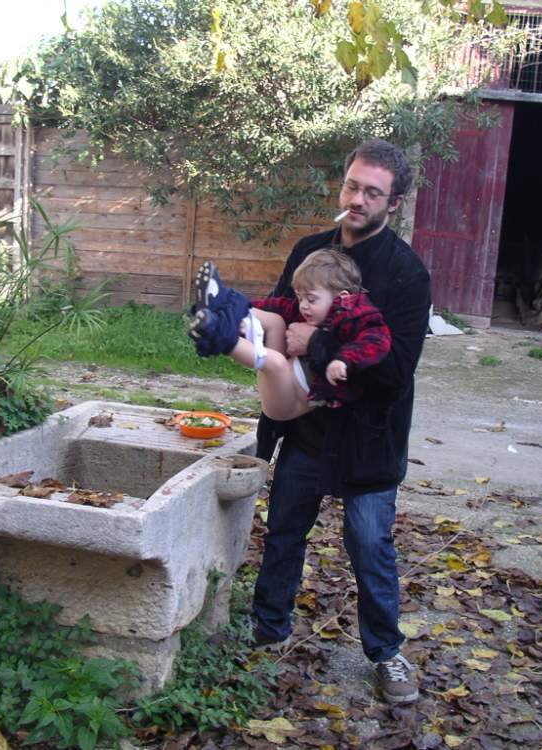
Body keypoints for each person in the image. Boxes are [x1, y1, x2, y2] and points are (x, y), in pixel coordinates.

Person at [250, 139, 431, 704]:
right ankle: (267, 633)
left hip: (368, 438)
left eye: (372, 193)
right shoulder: (309, 251)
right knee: (283, 533)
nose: (356, 199)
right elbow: (278, 323)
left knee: (370, 547)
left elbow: (396, 370)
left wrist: (320, 343)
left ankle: (386, 653)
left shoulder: (407, 273)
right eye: (352, 185)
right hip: (305, 429)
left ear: (394, 203)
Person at [187, 249, 392, 421]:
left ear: (342, 298)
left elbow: (376, 341)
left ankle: (217, 335)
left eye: (311, 299)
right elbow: (273, 305)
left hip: (287, 404)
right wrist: (241, 308)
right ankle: (221, 306)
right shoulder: (308, 310)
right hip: (286, 378)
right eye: (300, 298)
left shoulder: (359, 317)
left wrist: (344, 360)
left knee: (275, 362)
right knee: (274, 320)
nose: (303, 306)